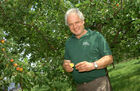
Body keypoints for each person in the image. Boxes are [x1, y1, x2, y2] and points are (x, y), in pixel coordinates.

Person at [63, 8, 113, 91]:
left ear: (83, 21)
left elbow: (109, 58)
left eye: (77, 22)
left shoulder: (96, 36)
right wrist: (66, 66)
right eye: (71, 24)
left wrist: (93, 65)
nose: (74, 26)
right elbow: (66, 62)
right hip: (80, 87)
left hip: (99, 84)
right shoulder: (69, 43)